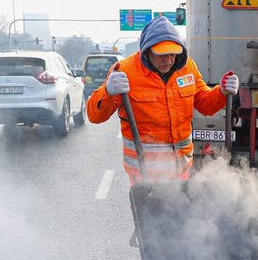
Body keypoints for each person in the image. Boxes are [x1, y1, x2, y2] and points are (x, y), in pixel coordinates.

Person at [86, 15, 239, 184]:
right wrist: (107, 91)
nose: (168, 60)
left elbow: (204, 104)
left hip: (182, 169)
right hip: (144, 174)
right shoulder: (125, 71)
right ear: (147, 51)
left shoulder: (188, 67)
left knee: (180, 210)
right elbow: (95, 116)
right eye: (161, 55)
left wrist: (221, 91)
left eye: (173, 54)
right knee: (149, 211)